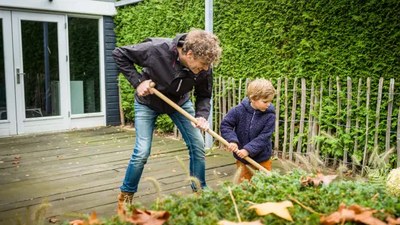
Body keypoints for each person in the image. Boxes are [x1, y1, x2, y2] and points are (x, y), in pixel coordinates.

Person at [112, 29, 222, 205]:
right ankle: (126, 196)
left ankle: (200, 191)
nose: (204, 69)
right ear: (189, 54)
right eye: (201, 65)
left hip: (179, 103)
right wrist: (138, 82)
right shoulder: (155, 49)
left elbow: (204, 95)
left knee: (198, 144)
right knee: (141, 152)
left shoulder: (204, 67)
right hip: (147, 103)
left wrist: (201, 116)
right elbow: (120, 53)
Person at [220, 78, 276, 183]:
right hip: (243, 160)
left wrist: (248, 150)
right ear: (253, 98)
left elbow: (264, 136)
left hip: (263, 159)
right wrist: (232, 140)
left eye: (270, 101)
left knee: (264, 185)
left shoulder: (270, 115)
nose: (269, 104)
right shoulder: (238, 110)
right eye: (265, 101)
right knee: (243, 185)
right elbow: (226, 125)